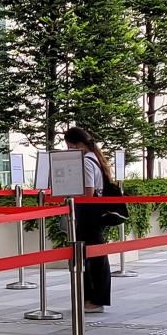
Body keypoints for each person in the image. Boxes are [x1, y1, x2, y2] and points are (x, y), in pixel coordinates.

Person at [65, 126, 112, 313]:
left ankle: (94, 300)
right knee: (95, 256)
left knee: (92, 258)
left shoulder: (86, 162)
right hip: (95, 212)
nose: (69, 151)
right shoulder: (95, 158)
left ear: (78, 144)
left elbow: (88, 191)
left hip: (88, 213)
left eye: (70, 147)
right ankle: (94, 299)